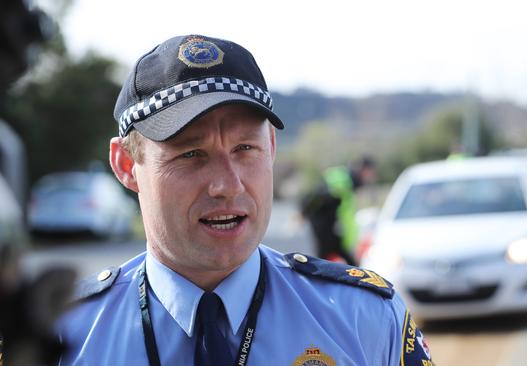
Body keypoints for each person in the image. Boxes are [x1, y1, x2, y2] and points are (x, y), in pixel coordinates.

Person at [56, 34, 433, 366]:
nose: (227, 185)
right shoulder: (60, 338)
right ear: (126, 164)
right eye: (190, 154)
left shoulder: (363, 319)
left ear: (270, 148)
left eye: (245, 148)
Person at [300, 157, 376, 265]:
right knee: (326, 258)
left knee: (331, 257)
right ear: (364, 169)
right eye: (370, 173)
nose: (370, 176)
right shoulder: (343, 180)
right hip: (326, 226)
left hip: (333, 228)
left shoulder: (349, 181)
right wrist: (303, 212)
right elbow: (317, 197)